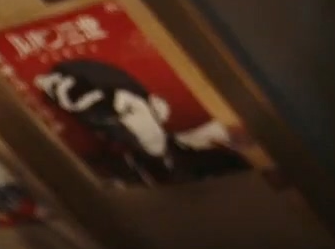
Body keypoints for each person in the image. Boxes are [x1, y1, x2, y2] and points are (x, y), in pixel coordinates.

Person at [34, 59, 250, 186]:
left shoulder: (214, 150)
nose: (126, 127)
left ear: (158, 107)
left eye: (130, 111)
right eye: (106, 122)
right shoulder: (117, 177)